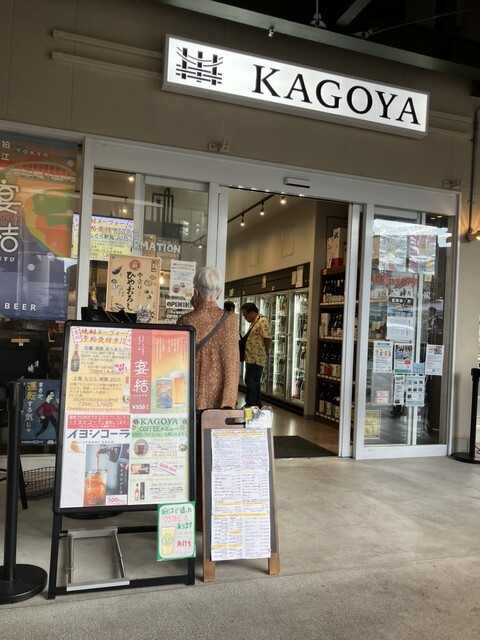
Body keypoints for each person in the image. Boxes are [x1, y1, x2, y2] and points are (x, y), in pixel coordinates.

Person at [177, 267, 240, 410]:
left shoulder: (186, 320)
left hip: (194, 396)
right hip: (224, 398)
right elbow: (232, 361)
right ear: (219, 294)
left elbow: (180, 360)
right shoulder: (232, 320)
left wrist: (196, 309)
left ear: (196, 292)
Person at [240, 302, 272, 408]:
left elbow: (267, 338)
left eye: (246, 315)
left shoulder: (262, 321)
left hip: (256, 358)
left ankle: (251, 404)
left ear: (252, 312)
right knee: (252, 381)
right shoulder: (254, 322)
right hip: (250, 357)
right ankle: (257, 404)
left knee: (252, 381)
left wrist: (266, 351)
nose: (245, 318)